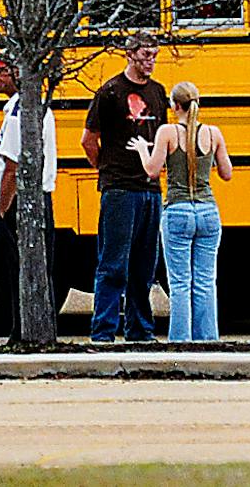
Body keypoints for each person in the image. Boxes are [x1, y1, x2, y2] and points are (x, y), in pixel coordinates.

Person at [81, 32, 168, 342]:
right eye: (146, 55)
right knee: (113, 262)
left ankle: (140, 329)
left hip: (150, 187)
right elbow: (89, 139)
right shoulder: (110, 92)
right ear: (130, 55)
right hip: (119, 187)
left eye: (154, 55)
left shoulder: (158, 92)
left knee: (145, 264)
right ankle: (103, 330)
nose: (151, 62)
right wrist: (105, 168)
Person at [131, 80, 233, 343]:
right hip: (208, 211)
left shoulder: (167, 132)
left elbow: (152, 171)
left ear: (175, 106)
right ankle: (208, 340)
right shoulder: (213, 134)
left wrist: (144, 150)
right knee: (205, 281)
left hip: (177, 211)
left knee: (179, 283)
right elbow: (227, 173)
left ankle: (180, 342)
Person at [0, 57, 63, 339]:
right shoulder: (30, 109)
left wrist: (2, 209)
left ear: (17, 74)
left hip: (20, 200)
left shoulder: (22, 113)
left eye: (0, 72)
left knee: (13, 270)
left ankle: (22, 332)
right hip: (36, 197)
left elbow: (11, 167)